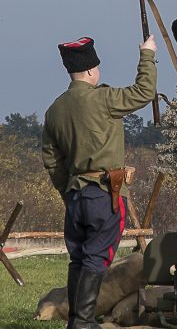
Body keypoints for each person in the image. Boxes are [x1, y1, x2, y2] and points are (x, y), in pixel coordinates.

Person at [41, 35, 157, 328]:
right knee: (96, 259)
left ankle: (76, 320)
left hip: (75, 194)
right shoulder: (103, 98)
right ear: (92, 70)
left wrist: (67, 191)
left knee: (78, 259)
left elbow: (52, 160)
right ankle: (83, 321)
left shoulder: (55, 110)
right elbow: (144, 92)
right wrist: (147, 55)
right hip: (105, 193)